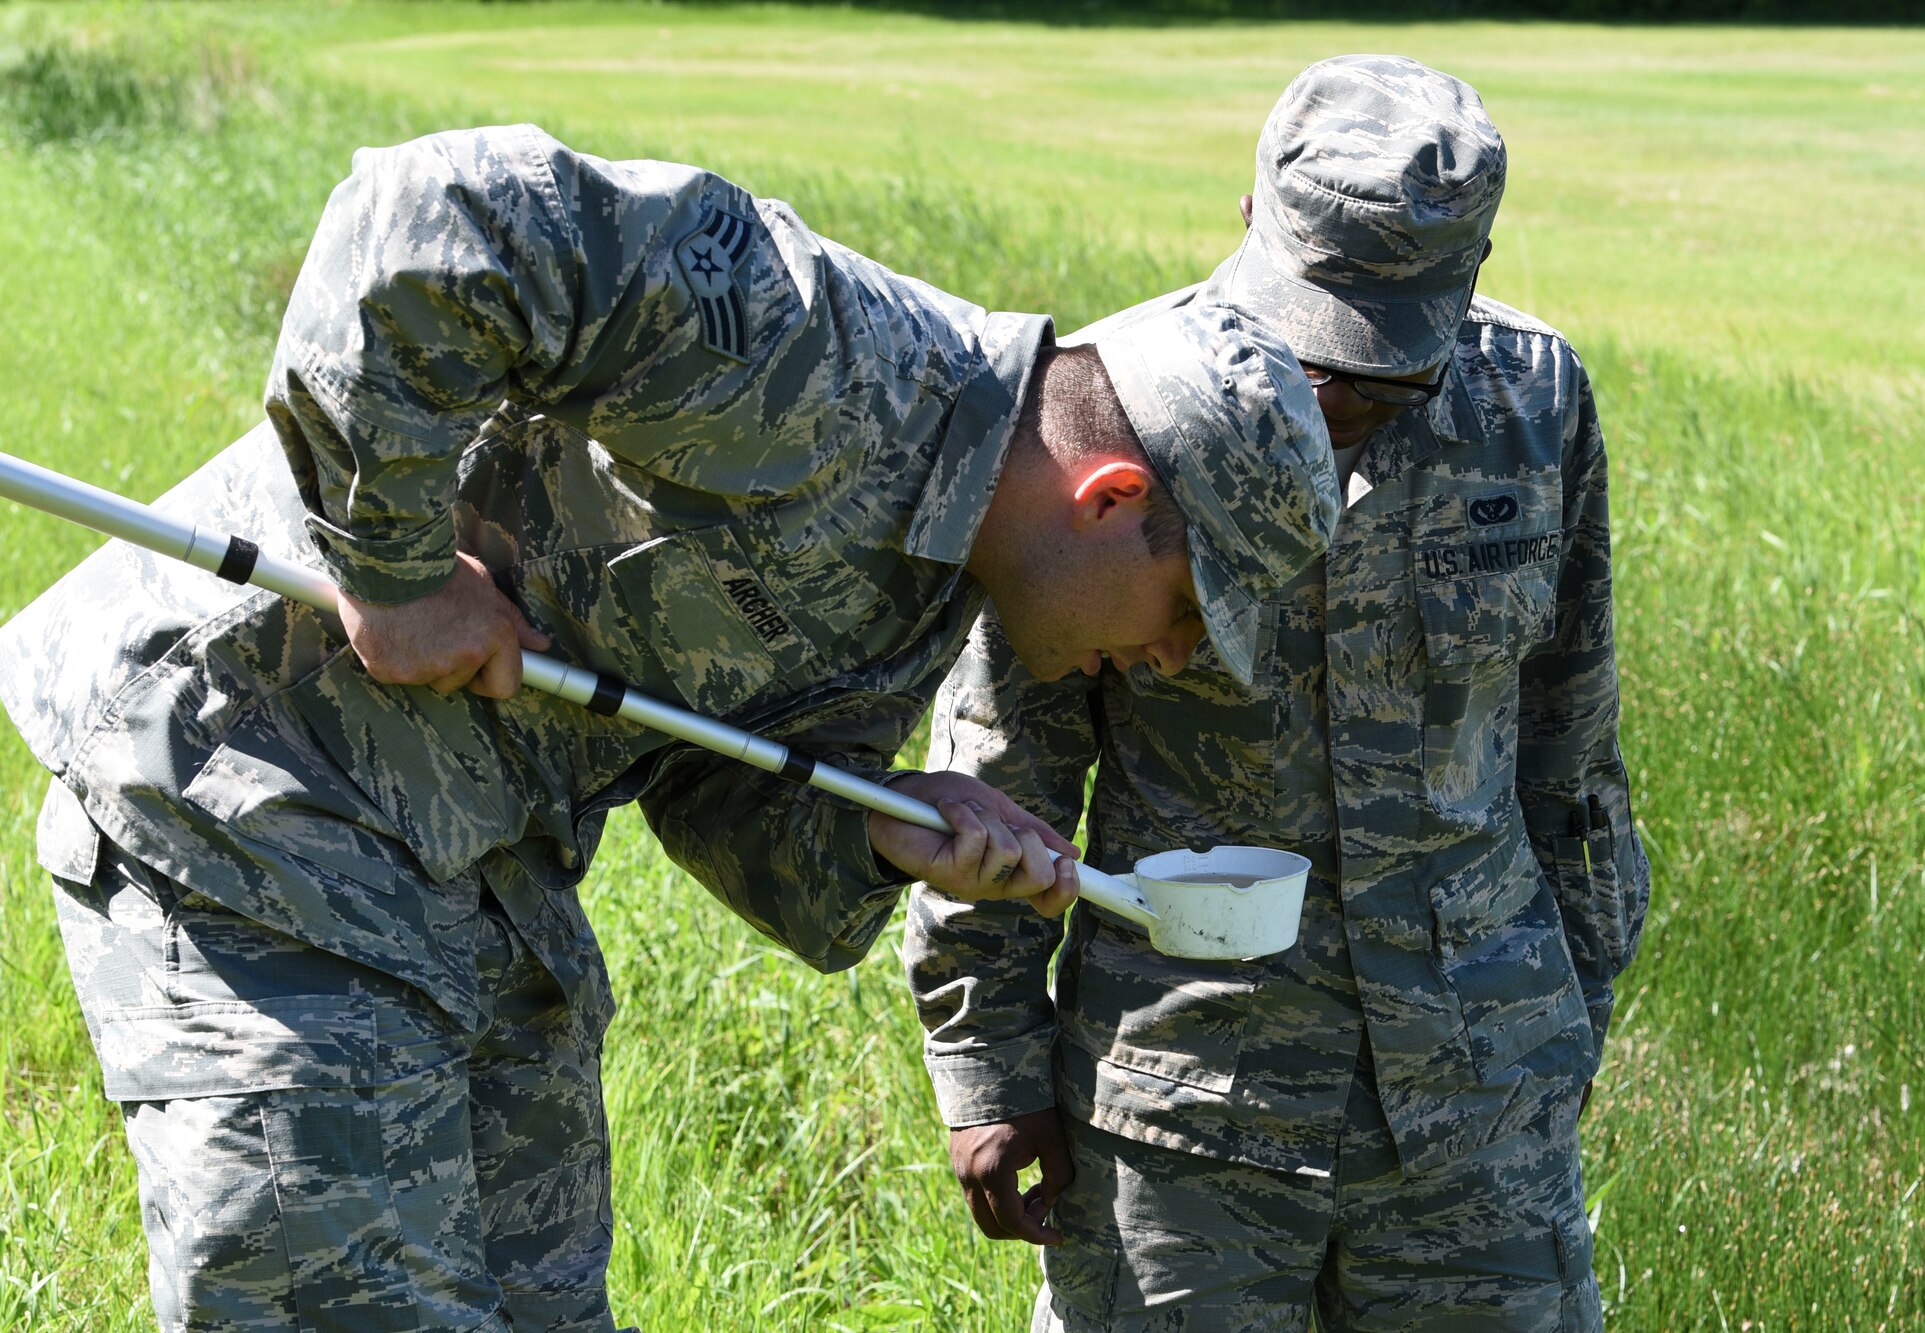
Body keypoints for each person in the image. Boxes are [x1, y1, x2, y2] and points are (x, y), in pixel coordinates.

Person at [0, 125, 1338, 1332]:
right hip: (246, 784)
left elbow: (713, 781)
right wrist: (390, 568)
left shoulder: (942, 584)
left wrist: (883, 836)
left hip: (474, 864)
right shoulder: (802, 335)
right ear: (1107, 497)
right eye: (1185, 611)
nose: (1166, 658)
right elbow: (434, 209)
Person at [905, 56, 1649, 1330]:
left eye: (1383, 366)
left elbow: (1569, 752)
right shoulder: (1124, 411)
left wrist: (1567, 1009)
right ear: (1249, 225)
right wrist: (985, 1061)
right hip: (1181, 1119)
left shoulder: (1534, 405)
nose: (1337, 396)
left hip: (1478, 1116)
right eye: (1315, 347)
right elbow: (994, 775)